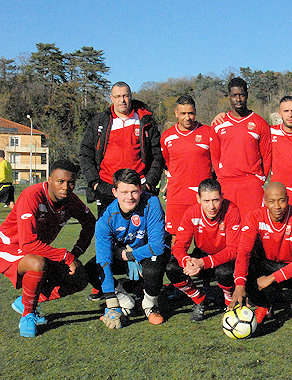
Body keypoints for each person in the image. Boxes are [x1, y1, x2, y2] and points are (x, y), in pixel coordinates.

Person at [0, 159, 95, 337]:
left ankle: (25, 302)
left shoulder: (71, 200)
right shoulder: (32, 195)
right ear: (49, 179)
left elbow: (90, 223)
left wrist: (76, 253)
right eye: (60, 181)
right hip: (7, 247)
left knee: (80, 277)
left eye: (71, 182)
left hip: (35, 250)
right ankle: (27, 315)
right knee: (37, 263)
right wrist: (66, 256)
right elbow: (27, 244)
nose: (66, 187)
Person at [229, 182, 292, 324]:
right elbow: (244, 252)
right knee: (246, 270)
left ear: (287, 199)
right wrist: (239, 285)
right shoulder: (254, 217)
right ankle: (263, 305)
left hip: (291, 265)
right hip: (267, 264)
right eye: (271, 201)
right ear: (265, 202)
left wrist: (273, 278)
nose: (277, 207)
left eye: (281, 201)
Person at [95, 169, 168, 328]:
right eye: (124, 192)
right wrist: (112, 304)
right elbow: (104, 260)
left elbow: (157, 246)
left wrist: (130, 256)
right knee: (92, 270)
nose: (130, 197)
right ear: (114, 192)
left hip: (146, 254)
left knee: (154, 267)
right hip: (124, 255)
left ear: (140, 190)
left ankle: (150, 305)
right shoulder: (105, 219)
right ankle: (124, 299)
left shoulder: (152, 203)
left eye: (134, 191)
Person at [79, 81, 164, 217]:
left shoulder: (145, 120)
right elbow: (85, 154)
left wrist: (148, 183)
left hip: (137, 189)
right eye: (117, 96)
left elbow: (157, 155)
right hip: (107, 189)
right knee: (108, 234)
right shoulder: (100, 121)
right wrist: (94, 183)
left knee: (142, 235)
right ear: (111, 98)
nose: (122, 100)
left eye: (125, 96)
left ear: (130, 96)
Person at [167, 178, 239, 321]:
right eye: (206, 201)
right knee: (172, 268)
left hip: (225, 257)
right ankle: (200, 300)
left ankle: (229, 302)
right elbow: (179, 246)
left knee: (225, 272)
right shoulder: (191, 212)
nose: (212, 206)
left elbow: (233, 250)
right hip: (202, 255)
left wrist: (203, 263)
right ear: (198, 199)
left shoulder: (231, 210)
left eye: (215, 200)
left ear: (222, 197)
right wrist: (187, 261)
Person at [210, 77, 271, 219]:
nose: (238, 99)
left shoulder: (260, 123)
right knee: (229, 227)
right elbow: (215, 155)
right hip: (227, 183)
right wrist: (221, 178)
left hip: (251, 184)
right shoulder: (219, 123)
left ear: (247, 95)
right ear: (229, 97)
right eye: (234, 95)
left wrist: (260, 179)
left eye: (241, 95)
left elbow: (267, 155)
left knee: (253, 227)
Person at [160, 95, 213, 237]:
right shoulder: (167, 136)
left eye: (190, 113)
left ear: (195, 112)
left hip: (203, 196)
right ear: (176, 113)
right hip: (177, 196)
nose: (187, 117)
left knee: (204, 239)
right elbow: (167, 162)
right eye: (183, 113)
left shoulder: (208, 133)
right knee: (175, 238)